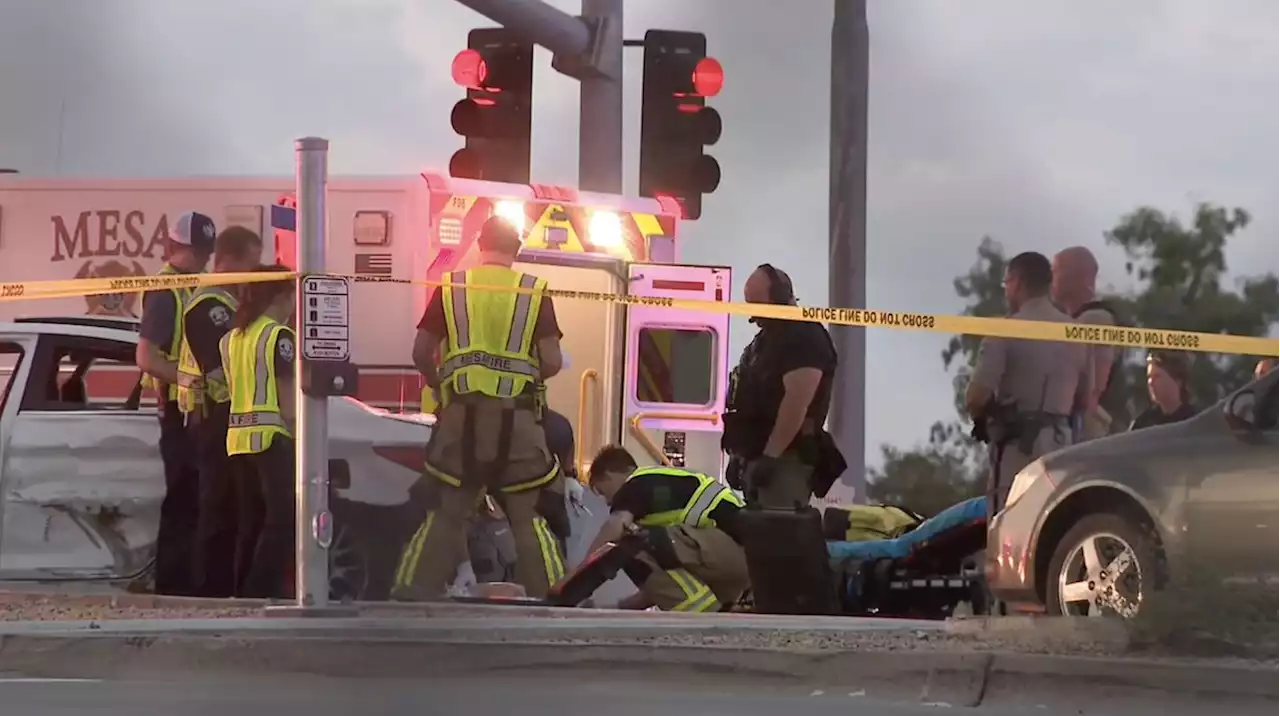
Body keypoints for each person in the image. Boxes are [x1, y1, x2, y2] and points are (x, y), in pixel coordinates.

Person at [392, 215, 567, 602]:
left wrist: (442, 387)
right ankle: (556, 597)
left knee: (447, 509)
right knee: (528, 512)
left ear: (480, 244)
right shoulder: (533, 291)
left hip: (461, 420)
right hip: (517, 421)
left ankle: (411, 591)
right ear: (516, 249)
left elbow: (421, 352)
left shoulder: (452, 287)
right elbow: (552, 361)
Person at [966, 251, 1091, 517]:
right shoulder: (1077, 333)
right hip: (1062, 450)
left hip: (1016, 452)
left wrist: (985, 417)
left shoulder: (1006, 331)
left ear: (1017, 281)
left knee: (1007, 530)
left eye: (1006, 283)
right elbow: (1085, 399)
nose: (1006, 291)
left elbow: (976, 397)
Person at [177, 227, 263, 597]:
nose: (254, 273)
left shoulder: (224, 303)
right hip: (215, 417)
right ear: (231, 260)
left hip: (225, 418)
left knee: (231, 508)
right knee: (217, 509)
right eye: (251, 264)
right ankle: (209, 590)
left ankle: (222, 585)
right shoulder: (209, 305)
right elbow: (224, 368)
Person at [136, 210, 216, 595]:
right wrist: (191, 379)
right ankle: (173, 588)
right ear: (174, 247)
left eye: (204, 252)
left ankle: (187, 584)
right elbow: (147, 357)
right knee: (183, 503)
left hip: (192, 412)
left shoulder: (193, 285)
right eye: (196, 251)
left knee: (195, 501)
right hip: (176, 410)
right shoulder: (166, 289)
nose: (202, 259)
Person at [723, 264, 840, 508]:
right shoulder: (763, 343)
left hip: (786, 461)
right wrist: (738, 457)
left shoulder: (804, 336)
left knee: (778, 531)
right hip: (758, 456)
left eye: (757, 303)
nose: (753, 316)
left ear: (778, 297)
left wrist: (771, 457)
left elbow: (796, 402)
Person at [585, 445, 749, 613]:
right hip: (739, 561)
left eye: (602, 491)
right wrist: (614, 609)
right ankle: (717, 613)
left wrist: (580, 571)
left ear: (608, 475)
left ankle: (703, 617)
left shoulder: (637, 482)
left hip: (731, 551)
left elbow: (615, 526)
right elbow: (663, 589)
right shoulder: (661, 491)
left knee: (630, 543)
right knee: (642, 547)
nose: (607, 502)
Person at [222, 264, 298, 599]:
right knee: (281, 518)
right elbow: (287, 399)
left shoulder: (232, 339)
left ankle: (242, 593)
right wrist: (299, 436)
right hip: (272, 439)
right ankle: (262, 590)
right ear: (282, 296)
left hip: (238, 440)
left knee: (249, 523)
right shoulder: (278, 336)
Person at [1052, 246, 1123, 440]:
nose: (1052, 277)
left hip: (1085, 431)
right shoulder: (1078, 319)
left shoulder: (1096, 319)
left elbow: (1094, 388)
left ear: (1081, 275)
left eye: (1057, 270)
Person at [1130, 351, 1197, 430]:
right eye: (1149, 377)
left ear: (1178, 380)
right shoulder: (1143, 423)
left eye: (1157, 376)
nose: (1150, 382)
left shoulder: (1195, 421)